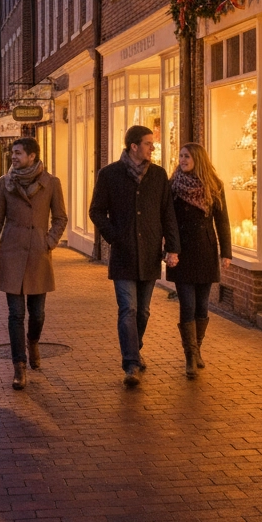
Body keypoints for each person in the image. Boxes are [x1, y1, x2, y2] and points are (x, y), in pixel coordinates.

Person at [89, 125, 179, 387]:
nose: (153, 148)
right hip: (124, 254)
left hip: (150, 252)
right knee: (128, 308)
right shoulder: (110, 175)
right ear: (134, 147)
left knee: (144, 312)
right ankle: (130, 364)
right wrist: (114, 236)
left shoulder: (159, 176)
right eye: (149, 144)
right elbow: (96, 211)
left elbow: (167, 214)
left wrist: (172, 247)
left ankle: (135, 350)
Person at [0, 137, 68, 390]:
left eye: (18, 152)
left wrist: (49, 241)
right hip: (12, 252)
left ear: (32, 156)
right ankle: (18, 366)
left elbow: (61, 218)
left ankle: (33, 342)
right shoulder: (4, 183)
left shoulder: (51, 183)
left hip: (38, 255)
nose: (13, 156)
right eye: (13, 152)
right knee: (15, 314)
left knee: (38, 313)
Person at [168, 143, 233, 379]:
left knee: (203, 306)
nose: (182, 160)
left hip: (206, 251)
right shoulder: (173, 186)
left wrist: (226, 252)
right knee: (187, 305)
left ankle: (197, 351)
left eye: (187, 156)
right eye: (181, 156)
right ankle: (189, 356)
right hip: (182, 253)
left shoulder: (214, 185)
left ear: (198, 159)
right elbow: (168, 220)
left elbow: (222, 220)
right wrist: (169, 249)